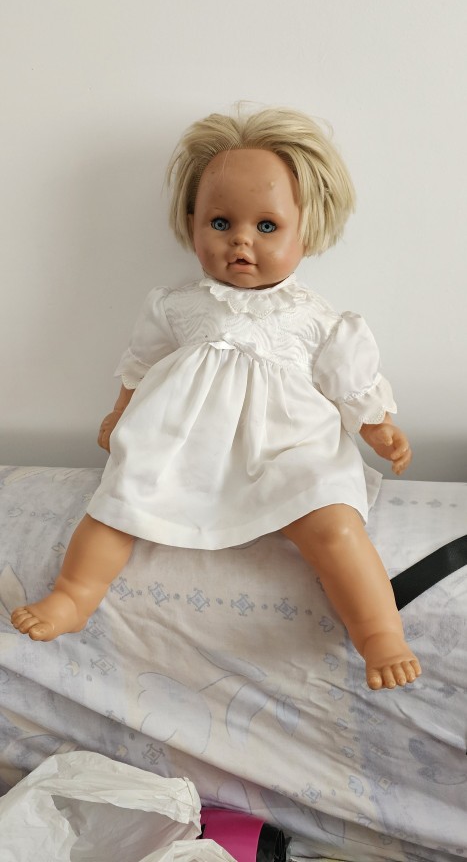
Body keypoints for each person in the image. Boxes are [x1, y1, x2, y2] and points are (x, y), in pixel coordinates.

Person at [11, 106, 421, 691]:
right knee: (117, 504)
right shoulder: (176, 305)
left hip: (288, 449)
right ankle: (74, 596)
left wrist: (379, 428)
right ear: (192, 223)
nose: (241, 241)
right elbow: (141, 364)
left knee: (334, 523)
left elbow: (349, 382)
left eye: (267, 226)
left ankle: (379, 632)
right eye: (221, 222)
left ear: (308, 229)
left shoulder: (316, 319)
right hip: (184, 445)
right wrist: (119, 413)